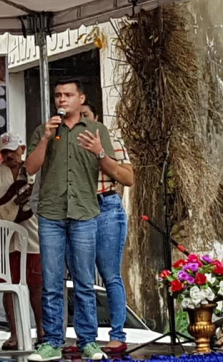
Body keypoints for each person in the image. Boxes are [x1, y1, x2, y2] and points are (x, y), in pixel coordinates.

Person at [26, 78, 115, 361]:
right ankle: (52, 341)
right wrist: (45, 139)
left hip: (84, 212)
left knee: (84, 280)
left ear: (81, 99)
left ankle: (88, 341)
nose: (61, 100)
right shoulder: (44, 129)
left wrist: (99, 151)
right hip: (51, 213)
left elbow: (112, 167)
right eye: (57, 95)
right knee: (51, 281)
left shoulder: (97, 130)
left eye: (67, 95)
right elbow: (30, 167)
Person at [0, 131, 43, 350]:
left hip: (33, 236)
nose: (9, 155)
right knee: (8, 286)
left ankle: (42, 332)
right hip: (4, 240)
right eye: (5, 152)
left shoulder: (34, 169)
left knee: (37, 286)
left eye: (12, 151)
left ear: (22, 149)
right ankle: (14, 334)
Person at [76, 102, 134, 355]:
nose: (83, 121)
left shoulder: (111, 141)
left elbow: (128, 178)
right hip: (79, 209)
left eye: (86, 116)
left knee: (110, 275)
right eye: (78, 117)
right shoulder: (67, 144)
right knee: (82, 277)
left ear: (96, 118)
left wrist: (100, 153)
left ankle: (117, 335)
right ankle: (85, 338)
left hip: (106, 205)